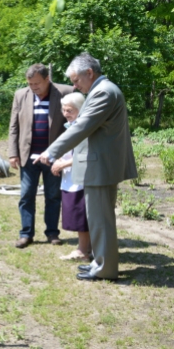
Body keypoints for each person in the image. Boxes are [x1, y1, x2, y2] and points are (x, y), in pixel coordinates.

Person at [34, 53, 137, 281]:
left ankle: (105, 269)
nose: (74, 85)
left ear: (89, 73)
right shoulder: (101, 90)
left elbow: (81, 127)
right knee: (98, 220)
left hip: (100, 167)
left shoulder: (103, 92)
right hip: (100, 165)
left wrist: (51, 152)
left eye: (76, 80)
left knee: (101, 221)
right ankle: (99, 263)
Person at [8, 63, 74, 248]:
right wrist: (13, 153)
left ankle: (52, 233)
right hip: (27, 156)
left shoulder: (64, 93)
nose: (33, 87)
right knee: (26, 195)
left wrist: (64, 154)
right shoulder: (20, 95)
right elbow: (14, 126)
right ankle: (26, 234)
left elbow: (75, 121)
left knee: (53, 195)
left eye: (37, 83)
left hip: (54, 157)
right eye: (30, 84)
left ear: (47, 79)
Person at [51, 92, 92, 262]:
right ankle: (84, 249)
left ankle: (84, 250)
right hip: (70, 177)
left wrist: (63, 164)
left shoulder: (84, 128)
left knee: (81, 215)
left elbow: (85, 154)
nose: (66, 114)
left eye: (70, 110)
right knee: (76, 214)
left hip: (81, 178)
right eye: (64, 110)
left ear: (80, 110)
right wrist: (59, 159)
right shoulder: (70, 127)